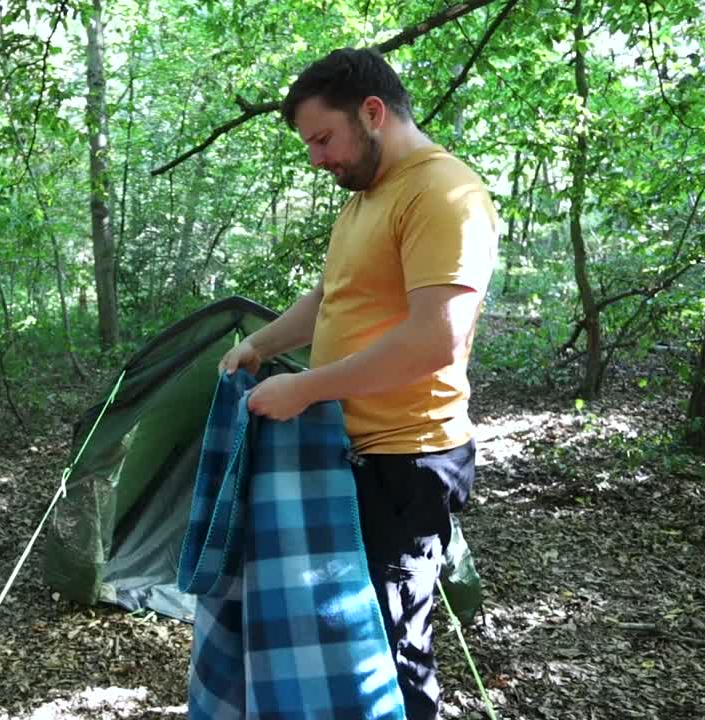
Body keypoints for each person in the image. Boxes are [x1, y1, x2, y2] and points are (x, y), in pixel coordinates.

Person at [217, 47, 498, 720]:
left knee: (390, 654)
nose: (317, 158)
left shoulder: (444, 192)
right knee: (350, 647)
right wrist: (260, 344)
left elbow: (437, 338)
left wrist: (309, 388)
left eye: (323, 138)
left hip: (406, 462)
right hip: (355, 457)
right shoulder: (366, 201)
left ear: (372, 113)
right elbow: (328, 301)